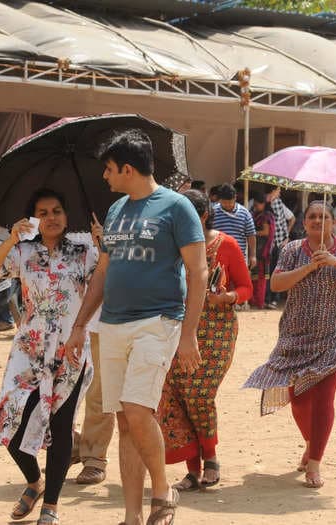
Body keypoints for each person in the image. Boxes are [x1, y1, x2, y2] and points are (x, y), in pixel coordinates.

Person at [64, 129, 207, 525]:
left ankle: (162, 493)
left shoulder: (178, 207)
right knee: (125, 420)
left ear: (128, 168)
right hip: (112, 326)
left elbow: (198, 271)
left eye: (109, 170)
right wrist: (79, 326)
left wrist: (189, 333)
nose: (105, 177)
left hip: (158, 322)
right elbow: (103, 273)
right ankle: (131, 515)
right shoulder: (115, 211)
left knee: (138, 410)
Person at [0, 189, 96, 524]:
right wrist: (9, 240)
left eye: (57, 210)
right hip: (28, 350)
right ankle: (34, 482)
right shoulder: (22, 252)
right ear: (34, 218)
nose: (52, 217)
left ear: (66, 214)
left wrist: (103, 247)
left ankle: (51, 505)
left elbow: (106, 282)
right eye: (43, 212)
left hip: (70, 350)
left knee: (61, 428)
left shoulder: (84, 253)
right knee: (9, 420)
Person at [244, 200, 336, 489]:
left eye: (323, 216)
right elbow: (276, 284)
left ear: (333, 222)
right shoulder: (291, 249)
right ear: (304, 222)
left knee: (324, 396)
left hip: (335, 336)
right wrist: (309, 267)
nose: (317, 221)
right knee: (298, 400)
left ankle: (314, 463)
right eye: (312, 216)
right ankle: (313, 443)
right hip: (295, 337)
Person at [157, 189, 252, 491]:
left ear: (204, 216)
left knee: (198, 393)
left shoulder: (226, 245)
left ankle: (210, 456)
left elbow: (246, 286)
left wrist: (228, 296)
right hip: (175, 328)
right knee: (175, 395)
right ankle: (192, 469)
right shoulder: (170, 247)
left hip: (216, 331)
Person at [76, 218, 116, 486]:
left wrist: (105, 244)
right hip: (65, 323)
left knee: (100, 393)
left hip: (106, 322)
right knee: (62, 393)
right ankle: (74, 446)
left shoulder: (122, 220)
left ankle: (94, 457)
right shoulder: (57, 224)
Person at [212, 183, 256, 269]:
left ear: (235, 198)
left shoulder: (245, 213)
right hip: (218, 258)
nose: (228, 205)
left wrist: (253, 256)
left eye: (230, 202)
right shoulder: (213, 212)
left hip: (239, 258)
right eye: (224, 202)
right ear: (219, 200)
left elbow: (251, 235)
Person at [251, 192, 275, 309]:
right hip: (257, 249)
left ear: (263, 204)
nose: (255, 207)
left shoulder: (266, 216)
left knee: (260, 278)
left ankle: (259, 301)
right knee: (255, 277)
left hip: (262, 251)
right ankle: (255, 300)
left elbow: (266, 232)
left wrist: (252, 233)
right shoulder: (257, 214)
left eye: (257, 205)